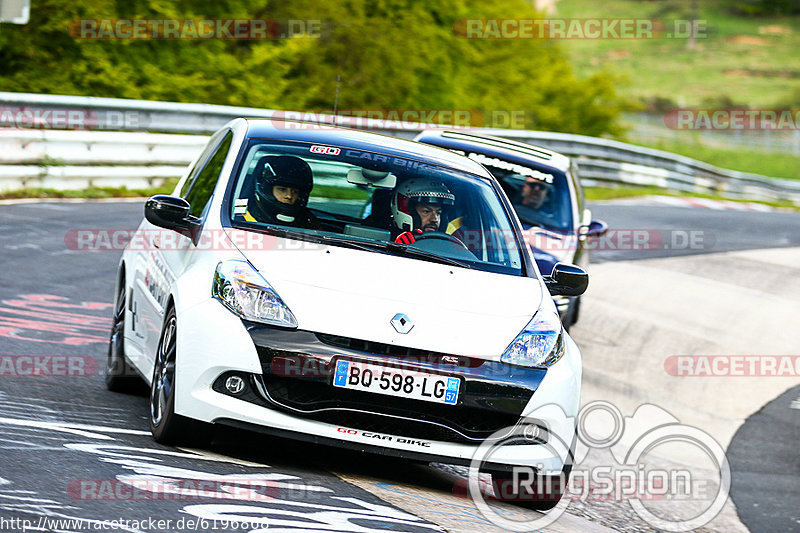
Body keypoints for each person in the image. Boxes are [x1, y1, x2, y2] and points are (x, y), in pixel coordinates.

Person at [240, 155, 316, 228]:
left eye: (294, 191)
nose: (289, 196)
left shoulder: (308, 222)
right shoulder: (241, 217)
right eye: (282, 189)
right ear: (267, 190)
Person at [390, 178, 455, 244]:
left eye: (438, 213)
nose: (435, 219)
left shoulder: (446, 247)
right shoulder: (384, 246)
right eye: (426, 212)